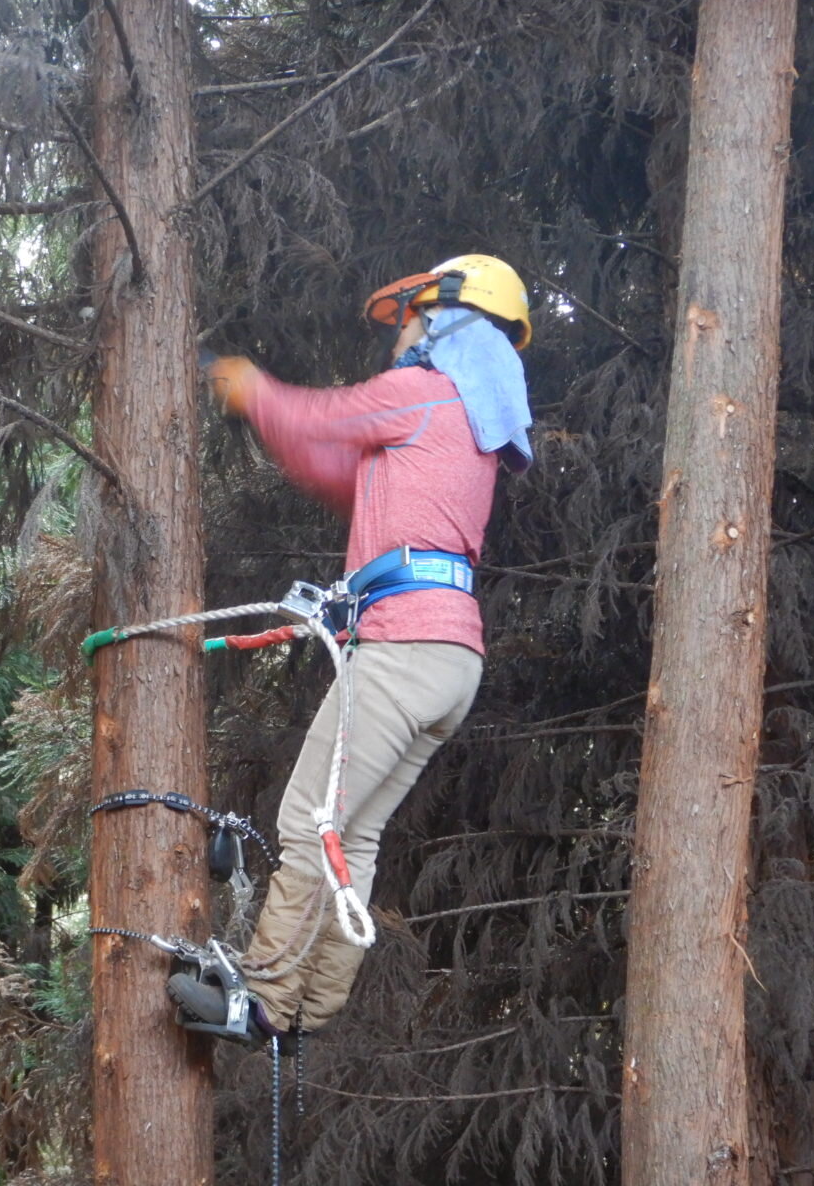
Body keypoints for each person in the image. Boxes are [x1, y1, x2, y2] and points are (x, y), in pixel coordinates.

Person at [169, 254, 533, 1044]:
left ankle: (263, 996)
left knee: (310, 820)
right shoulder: (467, 423)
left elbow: (322, 419)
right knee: (353, 835)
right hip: (451, 661)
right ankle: (310, 1007)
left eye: (406, 320)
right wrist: (265, 414)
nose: (396, 337)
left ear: (440, 316)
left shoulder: (423, 391)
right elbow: (338, 470)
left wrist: (250, 386)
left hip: (405, 648)